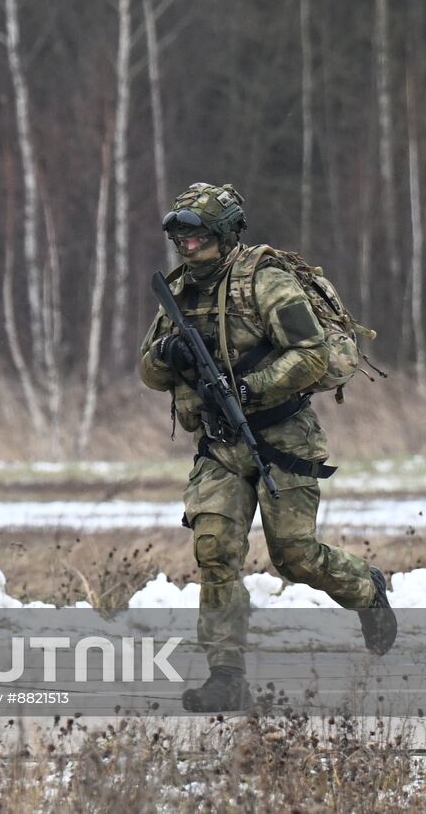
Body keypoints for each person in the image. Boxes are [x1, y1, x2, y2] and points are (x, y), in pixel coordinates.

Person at [139, 182, 396, 712]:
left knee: (295, 557)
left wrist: (251, 387)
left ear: (224, 235)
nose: (185, 249)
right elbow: (147, 370)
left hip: (283, 436)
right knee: (215, 553)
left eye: (196, 239)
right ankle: (226, 676)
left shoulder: (266, 283)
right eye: (179, 240)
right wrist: (169, 352)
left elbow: (313, 355)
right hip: (220, 444)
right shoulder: (180, 293)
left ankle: (367, 588)